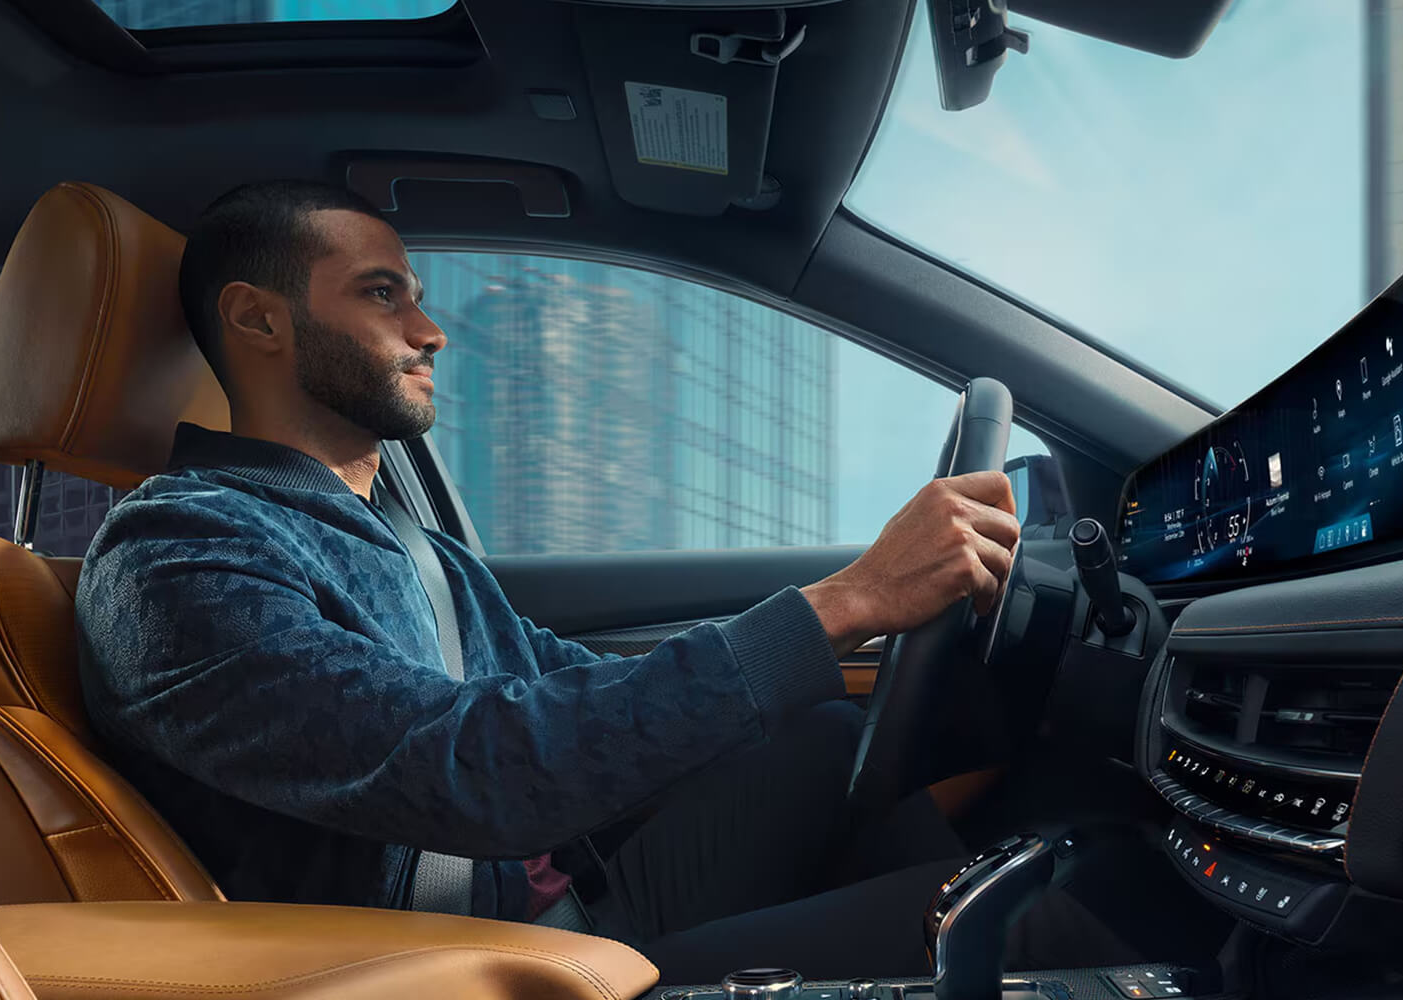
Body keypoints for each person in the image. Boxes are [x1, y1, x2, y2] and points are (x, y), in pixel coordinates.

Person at [75, 179, 1026, 981]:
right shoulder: (178, 555)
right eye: (382, 295)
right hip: (470, 968)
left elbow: (574, 701)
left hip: (551, 902)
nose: (430, 330)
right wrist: (848, 602)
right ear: (257, 318)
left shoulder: (413, 548)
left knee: (826, 741)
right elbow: (468, 770)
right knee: (1038, 925)